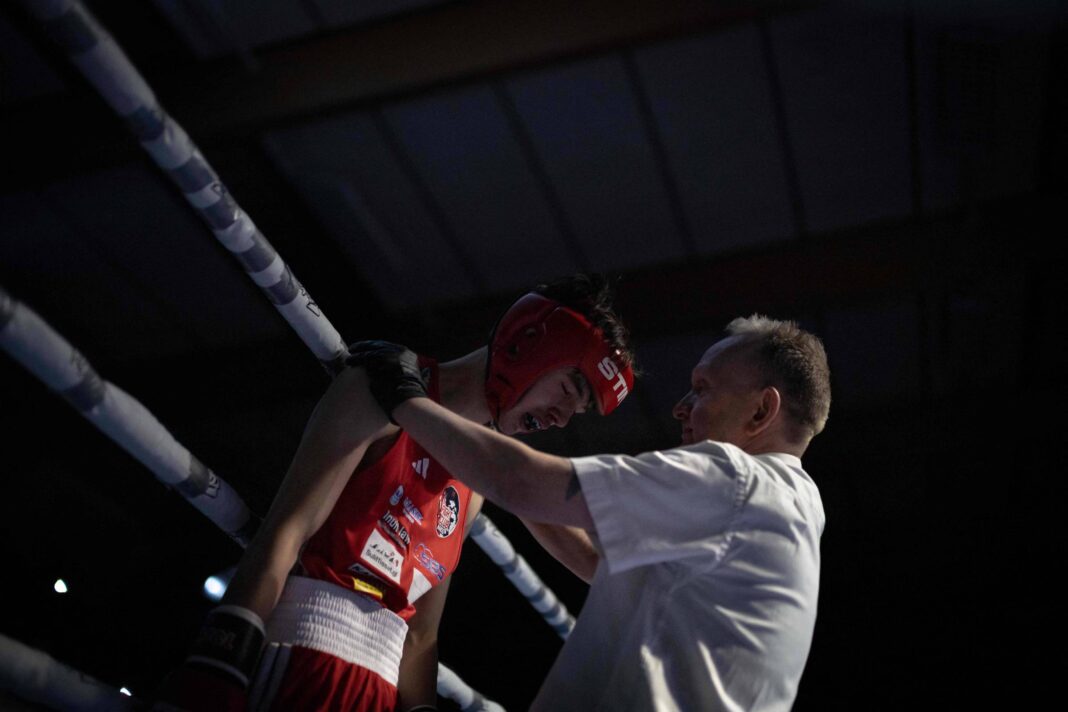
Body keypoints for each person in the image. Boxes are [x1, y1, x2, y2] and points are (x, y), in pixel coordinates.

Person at [155, 274, 636, 711]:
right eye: (570, 389)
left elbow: (422, 635)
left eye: (581, 409)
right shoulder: (379, 388)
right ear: (533, 343)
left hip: (381, 693)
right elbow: (287, 531)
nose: (563, 417)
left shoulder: (476, 483)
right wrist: (222, 658)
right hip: (301, 659)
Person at [354, 315, 831, 711]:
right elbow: (599, 564)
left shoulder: (736, 482)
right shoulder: (793, 508)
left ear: (760, 413)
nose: (681, 408)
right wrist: (502, 468)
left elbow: (519, 482)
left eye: (702, 389)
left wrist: (402, 395)